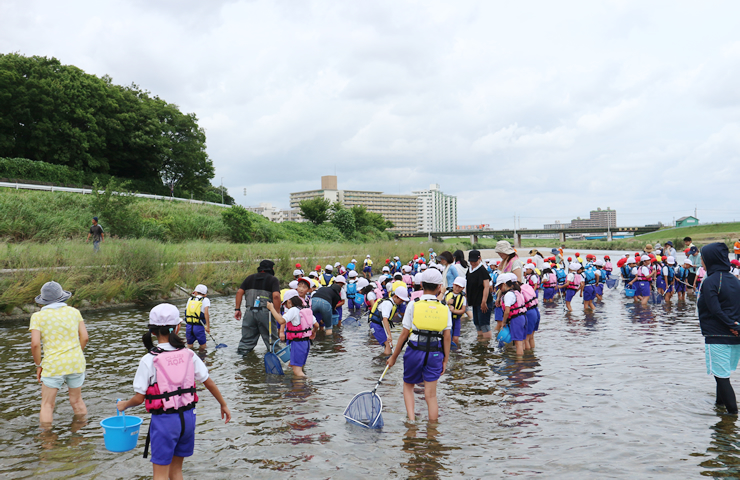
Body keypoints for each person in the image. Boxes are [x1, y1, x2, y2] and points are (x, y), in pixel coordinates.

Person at [117, 304, 230, 479]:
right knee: (176, 471)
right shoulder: (189, 354)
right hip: (188, 419)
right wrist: (223, 404)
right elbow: (209, 382)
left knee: (160, 475)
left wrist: (124, 405)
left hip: (165, 422)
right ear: (178, 327)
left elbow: (139, 399)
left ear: (153, 332)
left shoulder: (149, 360)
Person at [386, 268, 451, 422]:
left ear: (421, 284)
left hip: (415, 350)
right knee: (431, 395)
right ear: (439, 287)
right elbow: (447, 337)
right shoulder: (444, 308)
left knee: (409, 385)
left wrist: (393, 357)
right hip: (435, 353)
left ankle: (412, 422)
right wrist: (445, 360)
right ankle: (432, 432)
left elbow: (403, 335)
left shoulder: (413, 304)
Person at [30, 281, 88, 426]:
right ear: (62, 297)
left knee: (47, 405)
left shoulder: (38, 317)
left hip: (53, 365)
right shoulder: (74, 312)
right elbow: (85, 337)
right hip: (76, 362)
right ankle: (79, 437)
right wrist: (75, 352)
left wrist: (38, 365)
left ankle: (48, 442)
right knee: (77, 401)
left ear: (43, 301)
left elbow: (35, 344)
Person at [697, 242, 740, 415]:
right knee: (721, 375)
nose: (701, 260)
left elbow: (715, 310)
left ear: (710, 259)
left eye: (703, 257)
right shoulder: (735, 280)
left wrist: (732, 325)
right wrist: (736, 326)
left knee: (722, 379)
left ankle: (731, 419)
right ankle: (719, 406)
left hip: (718, 335)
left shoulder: (710, 281)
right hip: (735, 336)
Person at [234, 260, 282, 355]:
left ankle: (242, 360)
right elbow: (276, 296)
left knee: (246, 340)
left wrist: (237, 309)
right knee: (272, 340)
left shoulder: (249, 278)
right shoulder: (273, 279)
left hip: (249, 312)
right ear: (271, 269)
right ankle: (278, 358)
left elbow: (239, 292)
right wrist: (277, 312)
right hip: (266, 313)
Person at [267, 291, 318, 377]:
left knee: (297, 372)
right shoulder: (305, 309)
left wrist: (272, 309)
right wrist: (313, 332)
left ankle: (308, 386)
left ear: (289, 301)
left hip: (297, 344)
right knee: (295, 365)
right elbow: (316, 325)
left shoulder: (293, 310)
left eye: (285, 303)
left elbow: (281, 321)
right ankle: (296, 385)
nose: (285, 306)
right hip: (306, 343)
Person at [369, 286, 409, 355]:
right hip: (376, 325)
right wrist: (389, 335)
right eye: (401, 300)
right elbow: (385, 319)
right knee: (388, 344)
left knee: (389, 345)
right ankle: (385, 361)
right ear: (395, 296)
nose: (401, 302)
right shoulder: (388, 304)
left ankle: (382, 360)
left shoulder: (392, 303)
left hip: (380, 325)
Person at [466, 250, 493, 339]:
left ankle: (486, 344)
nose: (473, 263)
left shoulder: (482, 270)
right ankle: (480, 342)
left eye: (475, 261)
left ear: (480, 259)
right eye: (471, 261)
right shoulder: (469, 270)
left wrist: (484, 301)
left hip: (483, 301)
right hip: (475, 301)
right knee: (477, 322)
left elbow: (486, 286)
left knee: (484, 324)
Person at [500, 273, 527, 356]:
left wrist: (503, 322)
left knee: (518, 343)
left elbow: (507, 311)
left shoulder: (508, 295)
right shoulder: (517, 292)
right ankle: (525, 359)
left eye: (499, 286)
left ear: (504, 284)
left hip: (516, 319)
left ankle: (519, 364)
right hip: (523, 317)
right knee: (522, 342)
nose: (499, 289)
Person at [184, 284, 210, 352]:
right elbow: (206, 314)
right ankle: (202, 359)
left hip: (189, 326)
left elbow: (187, 311)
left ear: (195, 292)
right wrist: (207, 327)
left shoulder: (190, 299)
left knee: (189, 346)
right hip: (199, 327)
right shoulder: (205, 300)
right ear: (205, 294)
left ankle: (189, 359)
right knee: (203, 346)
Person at [445, 277, 467, 347]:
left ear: (463, 288)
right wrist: (447, 302)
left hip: (456, 319)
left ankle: (455, 352)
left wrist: (454, 311)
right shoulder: (446, 294)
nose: (457, 288)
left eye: (460, 287)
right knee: (447, 336)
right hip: (447, 319)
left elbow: (463, 310)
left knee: (456, 339)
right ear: (453, 284)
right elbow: (440, 303)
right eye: (456, 286)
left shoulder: (463, 298)